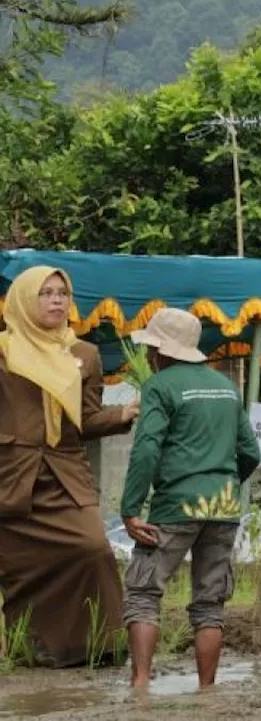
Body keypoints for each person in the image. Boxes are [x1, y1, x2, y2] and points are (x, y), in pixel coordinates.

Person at [0, 265, 138, 667]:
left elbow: (87, 419)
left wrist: (122, 414)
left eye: (62, 292)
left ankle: (98, 647)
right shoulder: (4, 351)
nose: (56, 300)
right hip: (11, 477)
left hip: (63, 474)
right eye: (45, 293)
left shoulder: (84, 354)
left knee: (93, 549)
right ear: (25, 300)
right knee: (18, 565)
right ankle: (31, 650)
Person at [119, 308, 261, 690]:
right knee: (209, 602)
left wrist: (130, 509)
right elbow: (250, 452)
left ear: (162, 352)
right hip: (224, 508)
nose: (149, 355)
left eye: (152, 347)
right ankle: (206, 690)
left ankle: (142, 686)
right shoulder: (226, 388)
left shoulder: (159, 386)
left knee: (144, 592)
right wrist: (224, 485)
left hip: (174, 506)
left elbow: (147, 449)